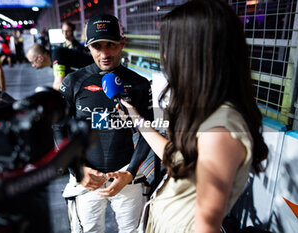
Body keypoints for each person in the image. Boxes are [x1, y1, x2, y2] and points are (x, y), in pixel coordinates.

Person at [119, 0, 269, 232]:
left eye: (169, 46)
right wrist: (135, 117)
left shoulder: (220, 131)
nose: (165, 56)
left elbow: (206, 226)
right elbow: (174, 157)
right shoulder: (208, 113)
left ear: (195, 53)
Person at [60, 13, 154, 232]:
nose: (104, 53)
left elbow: (148, 133)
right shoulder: (73, 82)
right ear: (87, 46)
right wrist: (77, 169)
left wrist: (130, 172)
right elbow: (59, 128)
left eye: (110, 45)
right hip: (86, 178)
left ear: (122, 43)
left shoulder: (139, 84)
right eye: (97, 46)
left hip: (128, 176)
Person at [26, 43, 93, 90]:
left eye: (32, 62)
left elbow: (58, 84)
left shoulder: (56, 55)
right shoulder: (54, 59)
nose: (33, 65)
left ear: (40, 58)